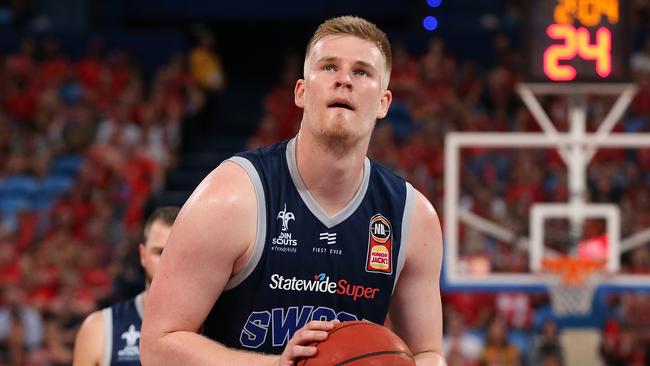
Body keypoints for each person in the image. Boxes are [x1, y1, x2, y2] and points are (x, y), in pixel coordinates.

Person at [141, 16, 445, 366]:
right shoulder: (233, 197)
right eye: (329, 67)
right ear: (301, 91)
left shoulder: (412, 217)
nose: (344, 80)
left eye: (362, 72)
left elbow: (427, 353)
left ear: (383, 102)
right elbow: (158, 346)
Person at [72, 206, 180, 366]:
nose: (168, 262)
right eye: (160, 252)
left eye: (177, 252)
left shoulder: (218, 324)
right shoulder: (100, 329)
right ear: (143, 255)